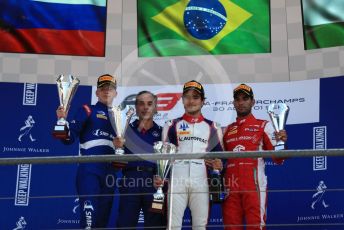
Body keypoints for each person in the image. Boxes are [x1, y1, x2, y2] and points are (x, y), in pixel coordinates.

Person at [56, 74, 119, 229]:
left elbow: (124, 153)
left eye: (110, 89)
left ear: (115, 93)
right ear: (97, 92)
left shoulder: (119, 117)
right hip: (89, 169)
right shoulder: (87, 109)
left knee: (102, 221)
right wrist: (61, 121)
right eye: (103, 89)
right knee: (89, 219)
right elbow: (67, 139)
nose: (106, 92)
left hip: (110, 173)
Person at [222, 83, 287, 230]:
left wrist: (281, 142)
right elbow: (219, 162)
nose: (241, 102)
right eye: (237, 99)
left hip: (254, 187)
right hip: (230, 189)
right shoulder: (226, 130)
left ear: (253, 102)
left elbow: (279, 158)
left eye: (245, 98)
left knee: (256, 227)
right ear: (233, 103)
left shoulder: (264, 125)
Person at [160, 80, 224, 229]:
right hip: (177, 182)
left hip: (202, 182)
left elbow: (221, 156)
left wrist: (219, 164)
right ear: (182, 100)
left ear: (203, 101)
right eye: (187, 97)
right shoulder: (171, 124)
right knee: (172, 226)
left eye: (195, 97)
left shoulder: (213, 126)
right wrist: (162, 178)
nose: (191, 101)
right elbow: (163, 157)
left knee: (200, 226)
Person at [115, 91, 166, 229]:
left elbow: (169, 163)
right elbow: (116, 164)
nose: (145, 107)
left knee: (155, 225)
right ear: (136, 107)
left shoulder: (163, 132)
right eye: (141, 104)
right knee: (125, 224)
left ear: (156, 108)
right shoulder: (124, 130)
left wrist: (163, 178)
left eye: (150, 104)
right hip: (130, 182)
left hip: (154, 184)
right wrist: (117, 148)